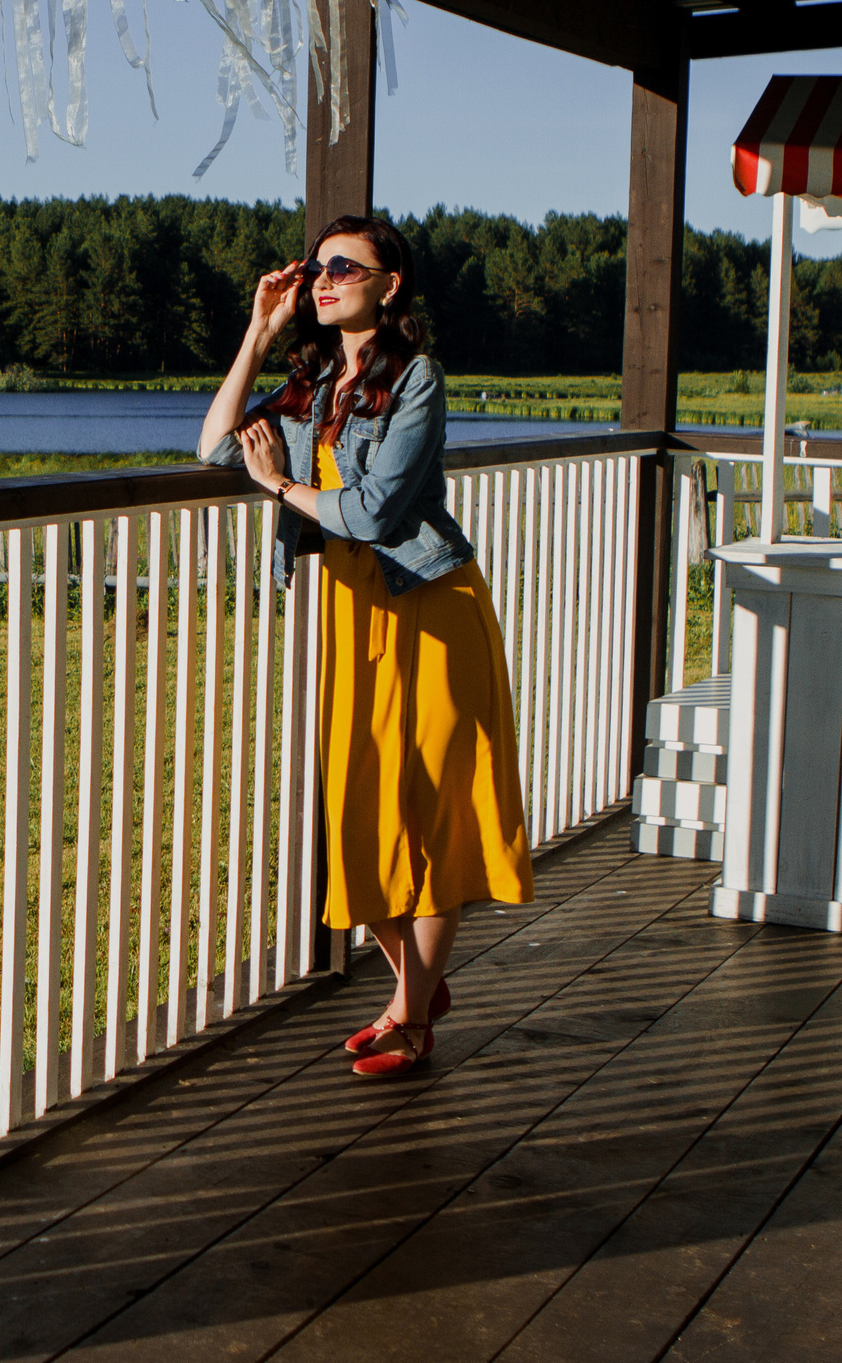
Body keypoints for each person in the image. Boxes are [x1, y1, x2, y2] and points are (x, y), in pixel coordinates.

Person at [197, 213, 531, 1078]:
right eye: (317, 267)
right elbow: (207, 443)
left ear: (390, 286)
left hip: (429, 606)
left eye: (346, 265)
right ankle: (418, 987)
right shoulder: (309, 380)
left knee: (429, 813)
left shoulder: (417, 377)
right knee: (356, 813)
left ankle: (411, 1017)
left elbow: (378, 512)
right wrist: (261, 331)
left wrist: (279, 483)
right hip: (355, 617)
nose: (324, 276)